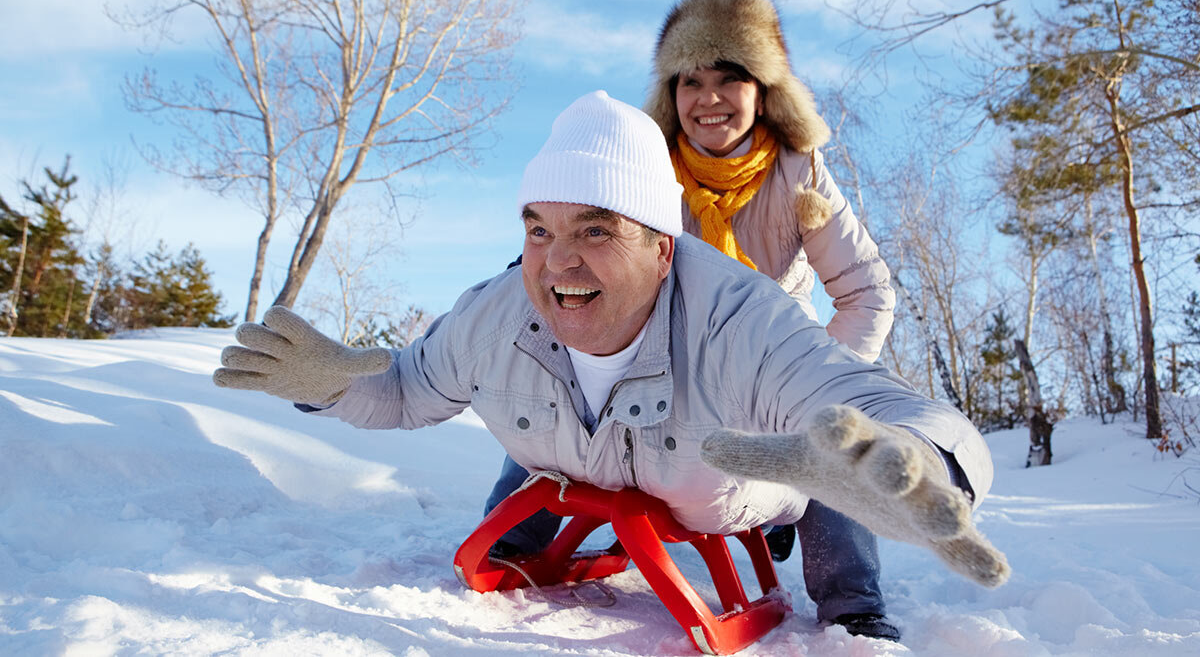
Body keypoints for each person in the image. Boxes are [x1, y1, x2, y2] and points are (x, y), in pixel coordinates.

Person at [212, 91, 1010, 647]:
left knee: (837, 468)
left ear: (663, 247)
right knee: (508, 516)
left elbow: (878, 403)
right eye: (538, 228)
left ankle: (855, 608)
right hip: (576, 456)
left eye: (595, 230)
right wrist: (324, 383)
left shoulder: (740, 319)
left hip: (726, 483)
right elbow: (406, 390)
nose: (558, 261)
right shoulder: (496, 311)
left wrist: (929, 466)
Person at [486, 0, 904, 640]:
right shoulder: (641, 175)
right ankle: (514, 537)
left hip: (763, 371)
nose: (708, 97)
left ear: (762, 90)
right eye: (690, 80)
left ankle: (853, 604)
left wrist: (819, 380)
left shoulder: (799, 176)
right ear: (671, 95)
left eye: (729, 78)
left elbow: (868, 292)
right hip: (661, 362)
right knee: (561, 384)